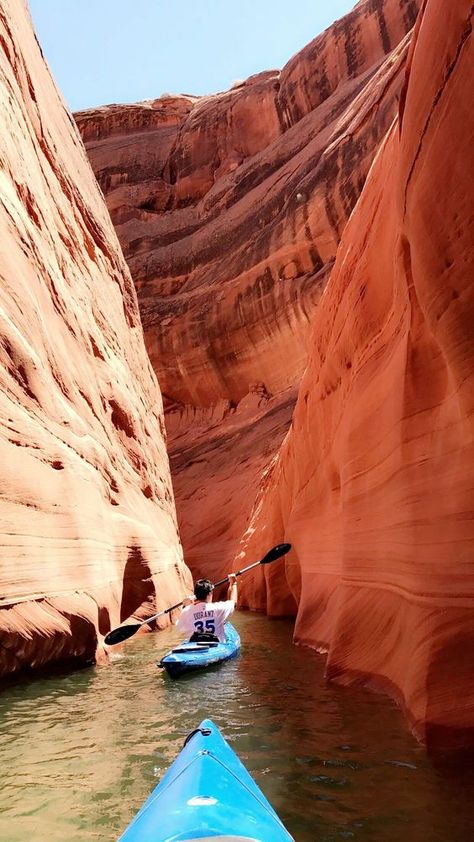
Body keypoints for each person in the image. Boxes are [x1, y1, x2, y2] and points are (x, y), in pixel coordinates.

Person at [176, 574, 238, 643]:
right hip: (216, 645)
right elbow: (233, 603)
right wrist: (233, 583)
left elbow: (180, 628)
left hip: (194, 644)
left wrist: (187, 606)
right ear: (210, 593)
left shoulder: (186, 611)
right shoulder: (218, 608)